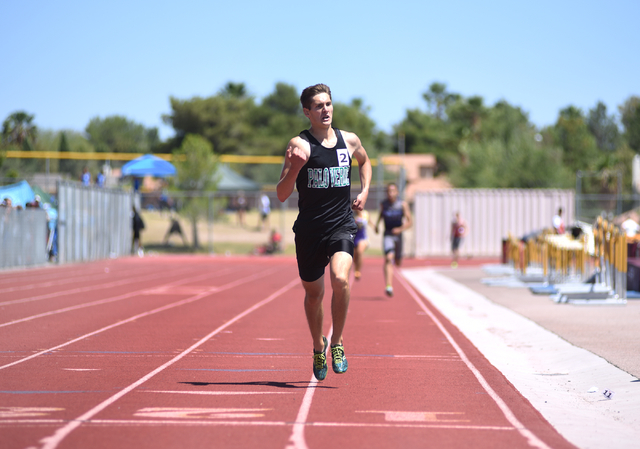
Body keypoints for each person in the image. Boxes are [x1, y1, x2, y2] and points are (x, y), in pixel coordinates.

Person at [276, 83, 372, 381]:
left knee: (341, 278)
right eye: (318, 106)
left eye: (328, 103)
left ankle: (338, 342)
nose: (325, 109)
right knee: (314, 295)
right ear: (307, 112)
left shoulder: (350, 140)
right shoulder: (300, 145)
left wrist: (365, 190)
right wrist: (293, 169)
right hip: (309, 230)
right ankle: (319, 345)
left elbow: (365, 161)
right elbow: (281, 194)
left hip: (342, 224)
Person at [374, 183, 412, 297]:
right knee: (388, 258)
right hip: (388, 234)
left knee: (398, 261)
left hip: (398, 236)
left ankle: (397, 258)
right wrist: (377, 225)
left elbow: (410, 222)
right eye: (388, 191)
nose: (390, 193)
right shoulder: (383, 204)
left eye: (393, 191)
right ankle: (389, 286)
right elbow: (381, 215)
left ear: (397, 192)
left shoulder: (402, 205)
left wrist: (400, 229)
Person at [352, 208, 370, 280]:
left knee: (359, 251)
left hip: (363, 238)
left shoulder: (366, 214)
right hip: (354, 238)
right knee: (354, 256)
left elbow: (370, 221)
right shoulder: (352, 215)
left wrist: (375, 227)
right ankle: (356, 267)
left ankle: (358, 271)